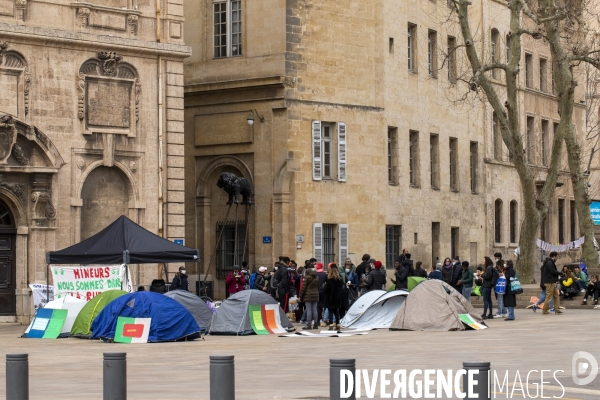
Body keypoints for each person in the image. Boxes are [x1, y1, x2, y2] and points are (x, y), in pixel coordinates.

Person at [299, 263, 320, 329]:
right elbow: (318, 287)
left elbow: (303, 288)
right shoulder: (317, 277)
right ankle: (316, 323)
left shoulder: (306, 277)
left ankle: (309, 324)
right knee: (314, 309)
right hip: (315, 294)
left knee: (308, 310)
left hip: (308, 295)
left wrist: (300, 296)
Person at [323, 264, 344, 331]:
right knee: (336, 311)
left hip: (330, 298)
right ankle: (337, 324)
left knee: (330, 311)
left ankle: (331, 324)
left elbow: (326, 290)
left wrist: (324, 286)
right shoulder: (340, 280)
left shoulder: (329, 280)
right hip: (338, 298)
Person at [316, 262, 327, 326]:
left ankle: (318, 318)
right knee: (325, 305)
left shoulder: (315, 274)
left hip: (317, 291)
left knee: (318, 305)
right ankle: (324, 318)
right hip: (323, 291)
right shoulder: (324, 274)